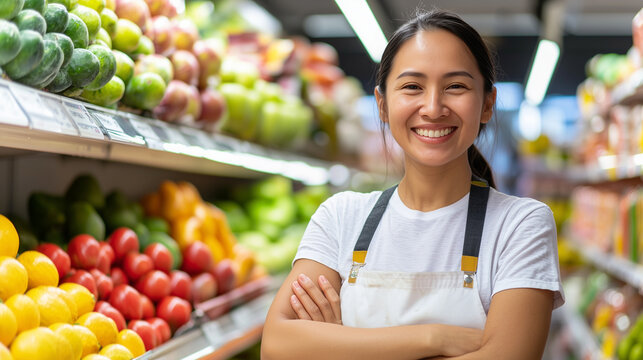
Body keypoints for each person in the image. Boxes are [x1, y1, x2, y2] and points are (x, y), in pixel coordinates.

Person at [261, 9, 564, 360]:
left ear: (487, 104)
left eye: (455, 86)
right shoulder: (340, 218)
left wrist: (339, 345)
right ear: (383, 105)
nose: (433, 108)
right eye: (412, 87)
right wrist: (434, 339)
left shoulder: (521, 225)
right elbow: (278, 346)